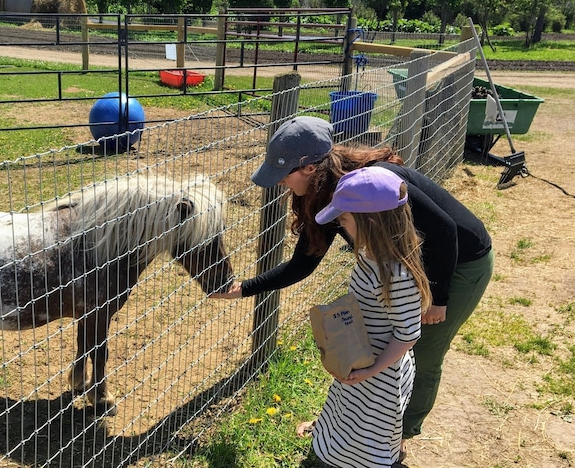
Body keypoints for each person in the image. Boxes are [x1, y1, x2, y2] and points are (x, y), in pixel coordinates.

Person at [210, 116, 494, 456]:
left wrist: (439, 298)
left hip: (459, 264)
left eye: (284, 175)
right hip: (404, 270)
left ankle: (394, 440)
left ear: (310, 168)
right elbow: (305, 261)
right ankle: (349, 427)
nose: (282, 184)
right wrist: (244, 288)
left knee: (421, 353)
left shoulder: (378, 186)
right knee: (375, 353)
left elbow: (446, 232)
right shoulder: (338, 198)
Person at [308, 166, 432, 467]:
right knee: (346, 413)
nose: (340, 223)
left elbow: (408, 334)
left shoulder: (396, 275)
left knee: (369, 433)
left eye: (344, 218)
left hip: (381, 372)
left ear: (371, 222)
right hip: (361, 357)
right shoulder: (368, 253)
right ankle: (335, 449)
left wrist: (372, 370)